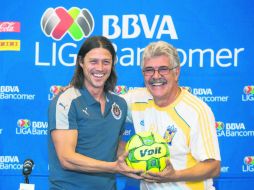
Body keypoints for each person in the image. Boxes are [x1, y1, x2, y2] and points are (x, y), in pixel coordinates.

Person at [121, 41, 221, 190]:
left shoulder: (197, 111)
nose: (156, 76)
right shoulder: (135, 99)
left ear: (176, 72)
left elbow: (213, 167)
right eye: (149, 70)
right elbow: (104, 111)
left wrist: (175, 176)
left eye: (163, 69)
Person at [48, 36, 142, 190]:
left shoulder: (119, 104)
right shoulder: (66, 101)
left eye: (106, 62)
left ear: (112, 64)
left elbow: (112, 146)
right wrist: (113, 167)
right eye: (93, 61)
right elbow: (67, 159)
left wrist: (148, 155)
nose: (100, 68)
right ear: (81, 62)